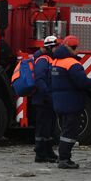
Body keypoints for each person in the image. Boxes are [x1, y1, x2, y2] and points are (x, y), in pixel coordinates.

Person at [51, 35, 91, 169]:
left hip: (59, 102)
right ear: (73, 48)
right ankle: (64, 159)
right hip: (71, 103)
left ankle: (62, 156)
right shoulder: (72, 64)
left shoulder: (56, 61)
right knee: (70, 132)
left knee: (65, 130)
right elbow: (83, 83)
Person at [32, 35, 60, 163]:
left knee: (49, 127)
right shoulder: (43, 60)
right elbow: (40, 79)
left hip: (48, 99)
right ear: (50, 47)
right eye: (55, 47)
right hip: (43, 99)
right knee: (43, 127)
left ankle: (48, 151)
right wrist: (48, 95)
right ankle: (40, 154)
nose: (57, 49)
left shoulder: (49, 58)